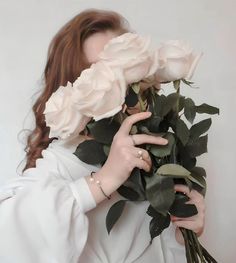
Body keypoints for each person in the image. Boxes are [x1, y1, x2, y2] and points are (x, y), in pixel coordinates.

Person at [0, 9, 205, 263]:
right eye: (98, 72)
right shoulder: (62, 162)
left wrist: (182, 236)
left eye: (125, 69)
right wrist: (102, 181)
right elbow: (8, 238)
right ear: (74, 87)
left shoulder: (157, 156)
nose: (119, 86)